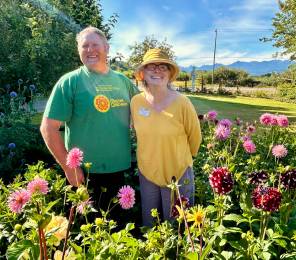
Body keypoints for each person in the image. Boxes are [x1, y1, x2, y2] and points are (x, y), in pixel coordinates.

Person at [40, 26, 138, 210]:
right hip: (84, 174)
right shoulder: (70, 82)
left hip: (118, 170)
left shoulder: (123, 81)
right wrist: (69, 168)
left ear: (106, 48)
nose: (90, 50)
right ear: (78, 51)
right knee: (88, 233)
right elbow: (48, 128)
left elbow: (144, 112)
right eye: (84, 46)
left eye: (95, 45)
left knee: (116, 232)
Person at [131, 48, 202, 226]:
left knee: (179, 225)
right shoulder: (135, 102)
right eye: (151, 67)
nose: (157, 70)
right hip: (147, 172)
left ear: (170, 74)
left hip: (178, 172)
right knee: (150, 224)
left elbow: (195, 138)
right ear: (142, 73)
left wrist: (182, 161)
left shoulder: (182, 102)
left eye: (163, 67)